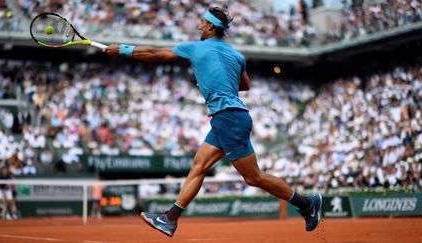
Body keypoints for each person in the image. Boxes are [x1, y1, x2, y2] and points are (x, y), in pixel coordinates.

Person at [105, 7, 322, 237]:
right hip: (227, 118)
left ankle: (307, 204)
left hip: (229, 118)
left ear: (210, 27)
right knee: (198, 166)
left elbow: (154, 53)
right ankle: (170, 219)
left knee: (253, 177)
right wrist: (216, 79)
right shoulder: (236, 56)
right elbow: (245, 85)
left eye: (201, 22)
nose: (199, 26)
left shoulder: (196, 48)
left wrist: (122, 49)